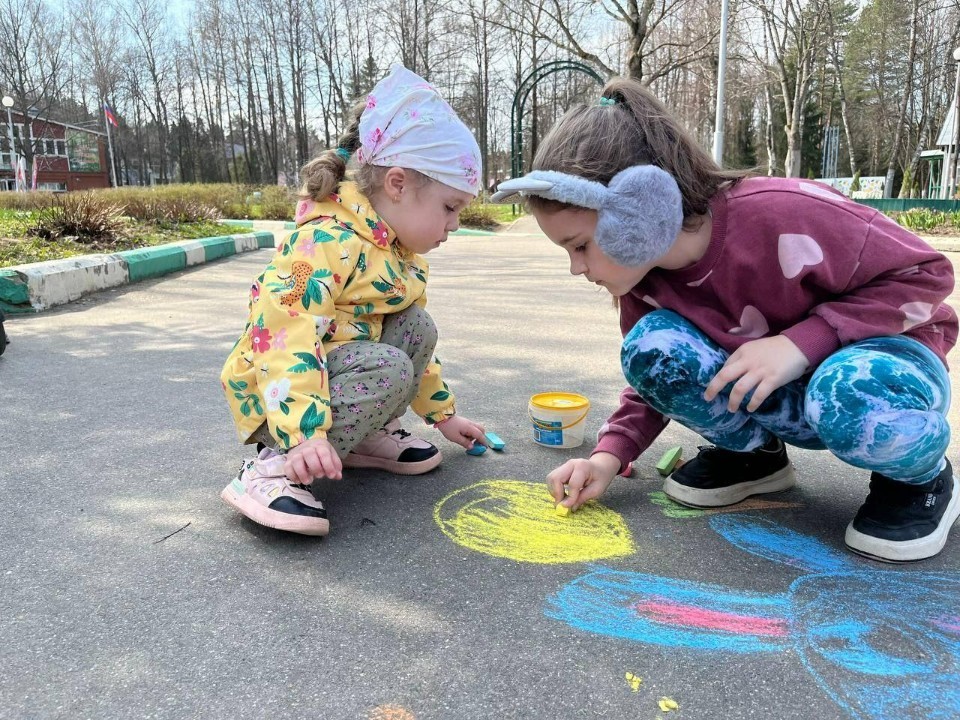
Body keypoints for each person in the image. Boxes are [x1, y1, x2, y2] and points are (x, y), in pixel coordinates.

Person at [493, 78, 959, 563]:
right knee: (651, 349)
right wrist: (608, 456)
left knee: (842, 388)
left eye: (580, 246)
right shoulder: (644, 280)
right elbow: (653, 381)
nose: (577, 268)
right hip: (782, 393)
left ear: (640, 207)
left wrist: (803, 342)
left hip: (881, 372)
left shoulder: (783, 211)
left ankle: (920, 479)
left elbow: (926, 273)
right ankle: (755, 459)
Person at [221, 65, 488, 537]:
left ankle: (366, 436)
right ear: (398, 184)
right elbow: (285, 332)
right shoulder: (324, 240)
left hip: (338, 381)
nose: (454, 224)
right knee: (386, 364)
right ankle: (269, 470)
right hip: (281, 401)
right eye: (450, 208)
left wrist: (444, 415)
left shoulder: (397, 253)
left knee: (415, 326)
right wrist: (303, 433)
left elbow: (416, 349)